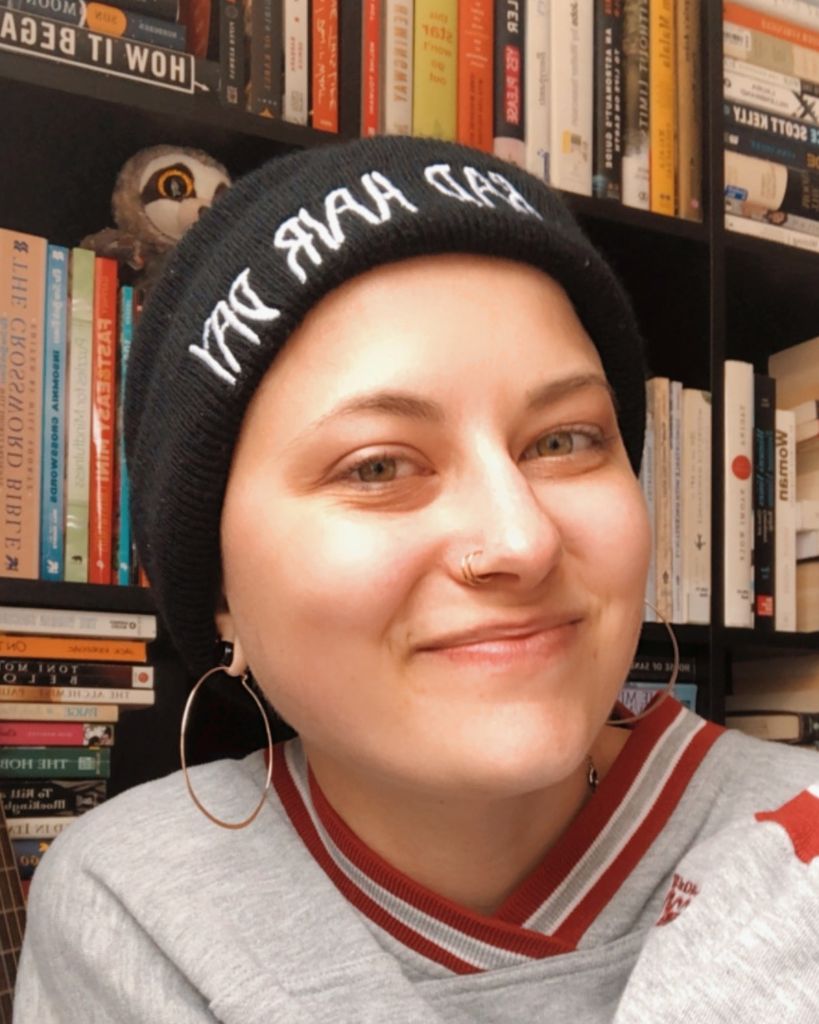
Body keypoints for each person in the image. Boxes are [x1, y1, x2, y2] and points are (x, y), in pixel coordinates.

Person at [13, 136, 819, 1023]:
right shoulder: (131, 907)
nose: (520, 540)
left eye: (563, 440)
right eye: (376, 466)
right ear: (218, 590)